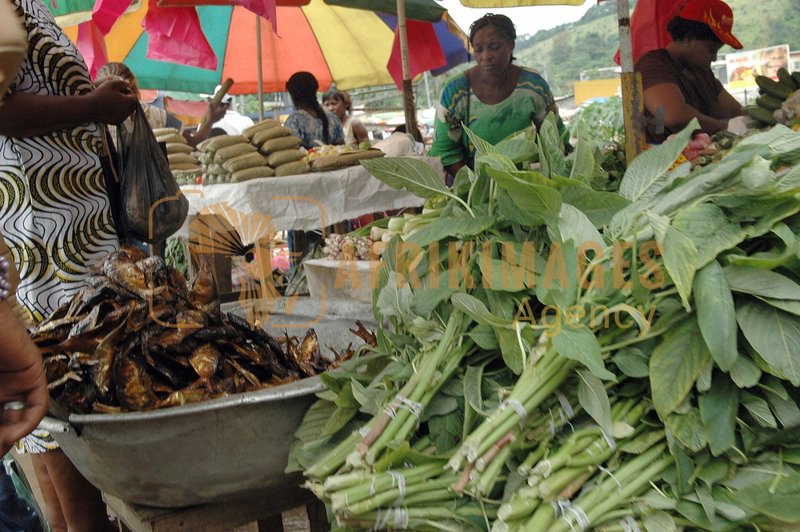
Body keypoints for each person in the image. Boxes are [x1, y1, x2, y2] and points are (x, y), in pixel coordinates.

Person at [0, 0, 138, 529]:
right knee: (67, 380)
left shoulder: (30, 6)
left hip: (74, 225)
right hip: (43, 229)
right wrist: (93, 108)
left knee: (66, 388)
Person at [427, 13, 567, 178]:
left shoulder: (533, 86)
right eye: (478, 49)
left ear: (511, 45)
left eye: (494, 47)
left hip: (526, 180)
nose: (486, 56)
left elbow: (554, 138)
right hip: (472, 182)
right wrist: (477, 187)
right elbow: (445, 151)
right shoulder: (455, 91)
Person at [635, 0, 743, 143]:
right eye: (711, 50)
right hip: (662, 157)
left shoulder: (700, 71)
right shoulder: (653, 65)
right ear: (688, 39)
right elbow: (673, 117)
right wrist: (726, 127)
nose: (714, 58)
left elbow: (734, 111)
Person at [95, 61, 227, 148]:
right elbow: (193, 143)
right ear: (134, 84)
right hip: (158, 188)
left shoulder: (94, 123)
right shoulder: (157, 115)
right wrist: (210, 120)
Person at [284, 71, 345, 149]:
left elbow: (290, 152)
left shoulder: (294, 121)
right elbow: (342, 149)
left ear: (292, 95)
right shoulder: (333, 118)